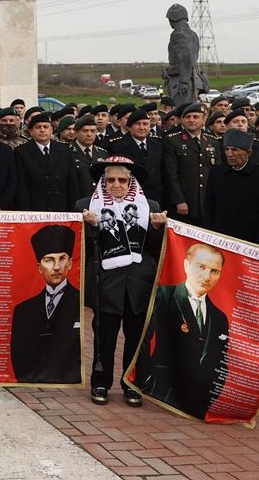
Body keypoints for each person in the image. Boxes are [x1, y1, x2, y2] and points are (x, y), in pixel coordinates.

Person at [79, 156, 167, 406]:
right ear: (102, 182)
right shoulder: (85, 206)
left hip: (138, 283)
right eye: (110, 180)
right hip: (106, 283)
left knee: (136, 337)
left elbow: (155, 249)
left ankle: (132, 384)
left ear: (131, 182)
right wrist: (91, 228)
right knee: (103, 337)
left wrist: (158, 230)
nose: (116, 184)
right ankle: (100, 382)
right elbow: (81, 249)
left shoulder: (149, 205)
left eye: (122, 180)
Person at [137, 243, 229, 419]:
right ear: (186, 265)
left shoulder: (219, 317)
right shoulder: (164, 296)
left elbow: (221, 362)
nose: (206, 276)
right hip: (161, 393)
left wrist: (210, 397)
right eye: (201, 267)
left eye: (214, 271)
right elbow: (144, 339)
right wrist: (146, 381)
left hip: (200, 403)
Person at [9, 226, 81, 384]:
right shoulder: (23, 310)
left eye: (61, 259)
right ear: (39, 267)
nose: (56, 267)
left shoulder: (80, 302)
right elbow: (17, 353)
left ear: (70, 263)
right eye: (49, 260)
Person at [203, 129, 259, 243]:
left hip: (251, 239)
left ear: (248, 153)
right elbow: (209, 207)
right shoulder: (216, 173)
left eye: (234, 150)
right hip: (221, 237)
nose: (229, 154)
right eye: (227, 149)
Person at [14, 112, 80, 211]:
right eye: (38, 127)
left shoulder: (64, 150)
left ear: (52, 130)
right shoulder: (21, 152)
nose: (42, 130)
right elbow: (21, 188)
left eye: (46, 127)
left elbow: (72, 182)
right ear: (30, 131)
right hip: (36, 209)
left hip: (61, 207)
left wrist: (73, 210)